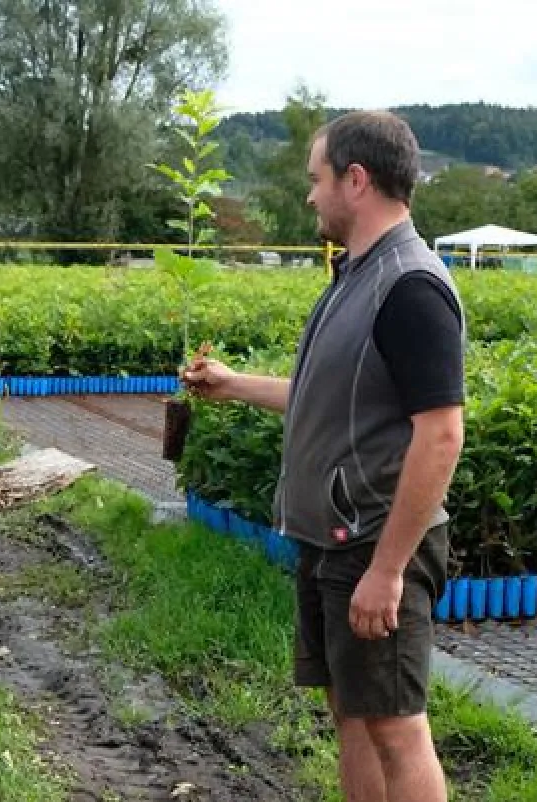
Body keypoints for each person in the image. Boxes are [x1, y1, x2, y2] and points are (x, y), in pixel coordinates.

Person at [184, 111, 464, 802]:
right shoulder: (357, 276)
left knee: (397, 728)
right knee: (353, 715)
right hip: (335, 542)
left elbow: (441, 435)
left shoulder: (410, 287)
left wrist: (389, 570)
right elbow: (331, 398)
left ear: (356, 180)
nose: (310, 196)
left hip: (373, 543)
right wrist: (233, 384)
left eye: (317, 180)